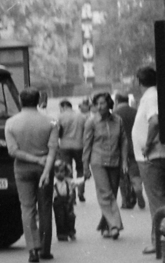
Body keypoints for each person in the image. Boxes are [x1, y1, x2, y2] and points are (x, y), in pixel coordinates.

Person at [5, 86, 58, 262]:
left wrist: (32, 159)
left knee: (27, 208)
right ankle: (45, 249)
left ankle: (33, 249)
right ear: (38, 101)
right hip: (45, 167)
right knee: (45, 207)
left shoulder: (11, 123)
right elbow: (53, 150)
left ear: (21, 101)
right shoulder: (51, 122)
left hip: (22, 169)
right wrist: (46, 169)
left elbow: (13, 151)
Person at [83, 90, 129, 238]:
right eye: (97, 104)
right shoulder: (91, 122)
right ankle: (115, 225)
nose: (99, 106)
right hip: (98, 161)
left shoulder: (118, 120)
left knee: (112, 194)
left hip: (115, 161)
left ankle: (105, 226)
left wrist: (124, 162)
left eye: (102, 103)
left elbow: (123, 142)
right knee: (106, 194)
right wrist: (85, 166)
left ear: (109, 103)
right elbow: (87, 145)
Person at [135, 66, 165, 258]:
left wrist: (148, 144)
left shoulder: (151, 97)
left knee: (156, 200)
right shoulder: (153, 96)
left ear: (139, 81)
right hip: (154, 156)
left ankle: (158, 243)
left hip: (151, 157)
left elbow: (154, 121)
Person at [56, 98, 87, 200]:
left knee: (67, 170)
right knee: (80, 169)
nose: (60, 110)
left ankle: (71, 193)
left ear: (64, 106)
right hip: (79, 146)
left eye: (60, 108)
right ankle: (81, 192)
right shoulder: (82, 116)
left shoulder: (60, 117)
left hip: (64, 147)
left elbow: (58, 133)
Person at [116, 93, 140, 208]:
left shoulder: (115, 115)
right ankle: (136, 189)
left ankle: (126, 200)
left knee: (122, 175)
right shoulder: (135, 112)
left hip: (120, 148)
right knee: (135, 172)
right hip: (135, 146)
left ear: (117, 100)